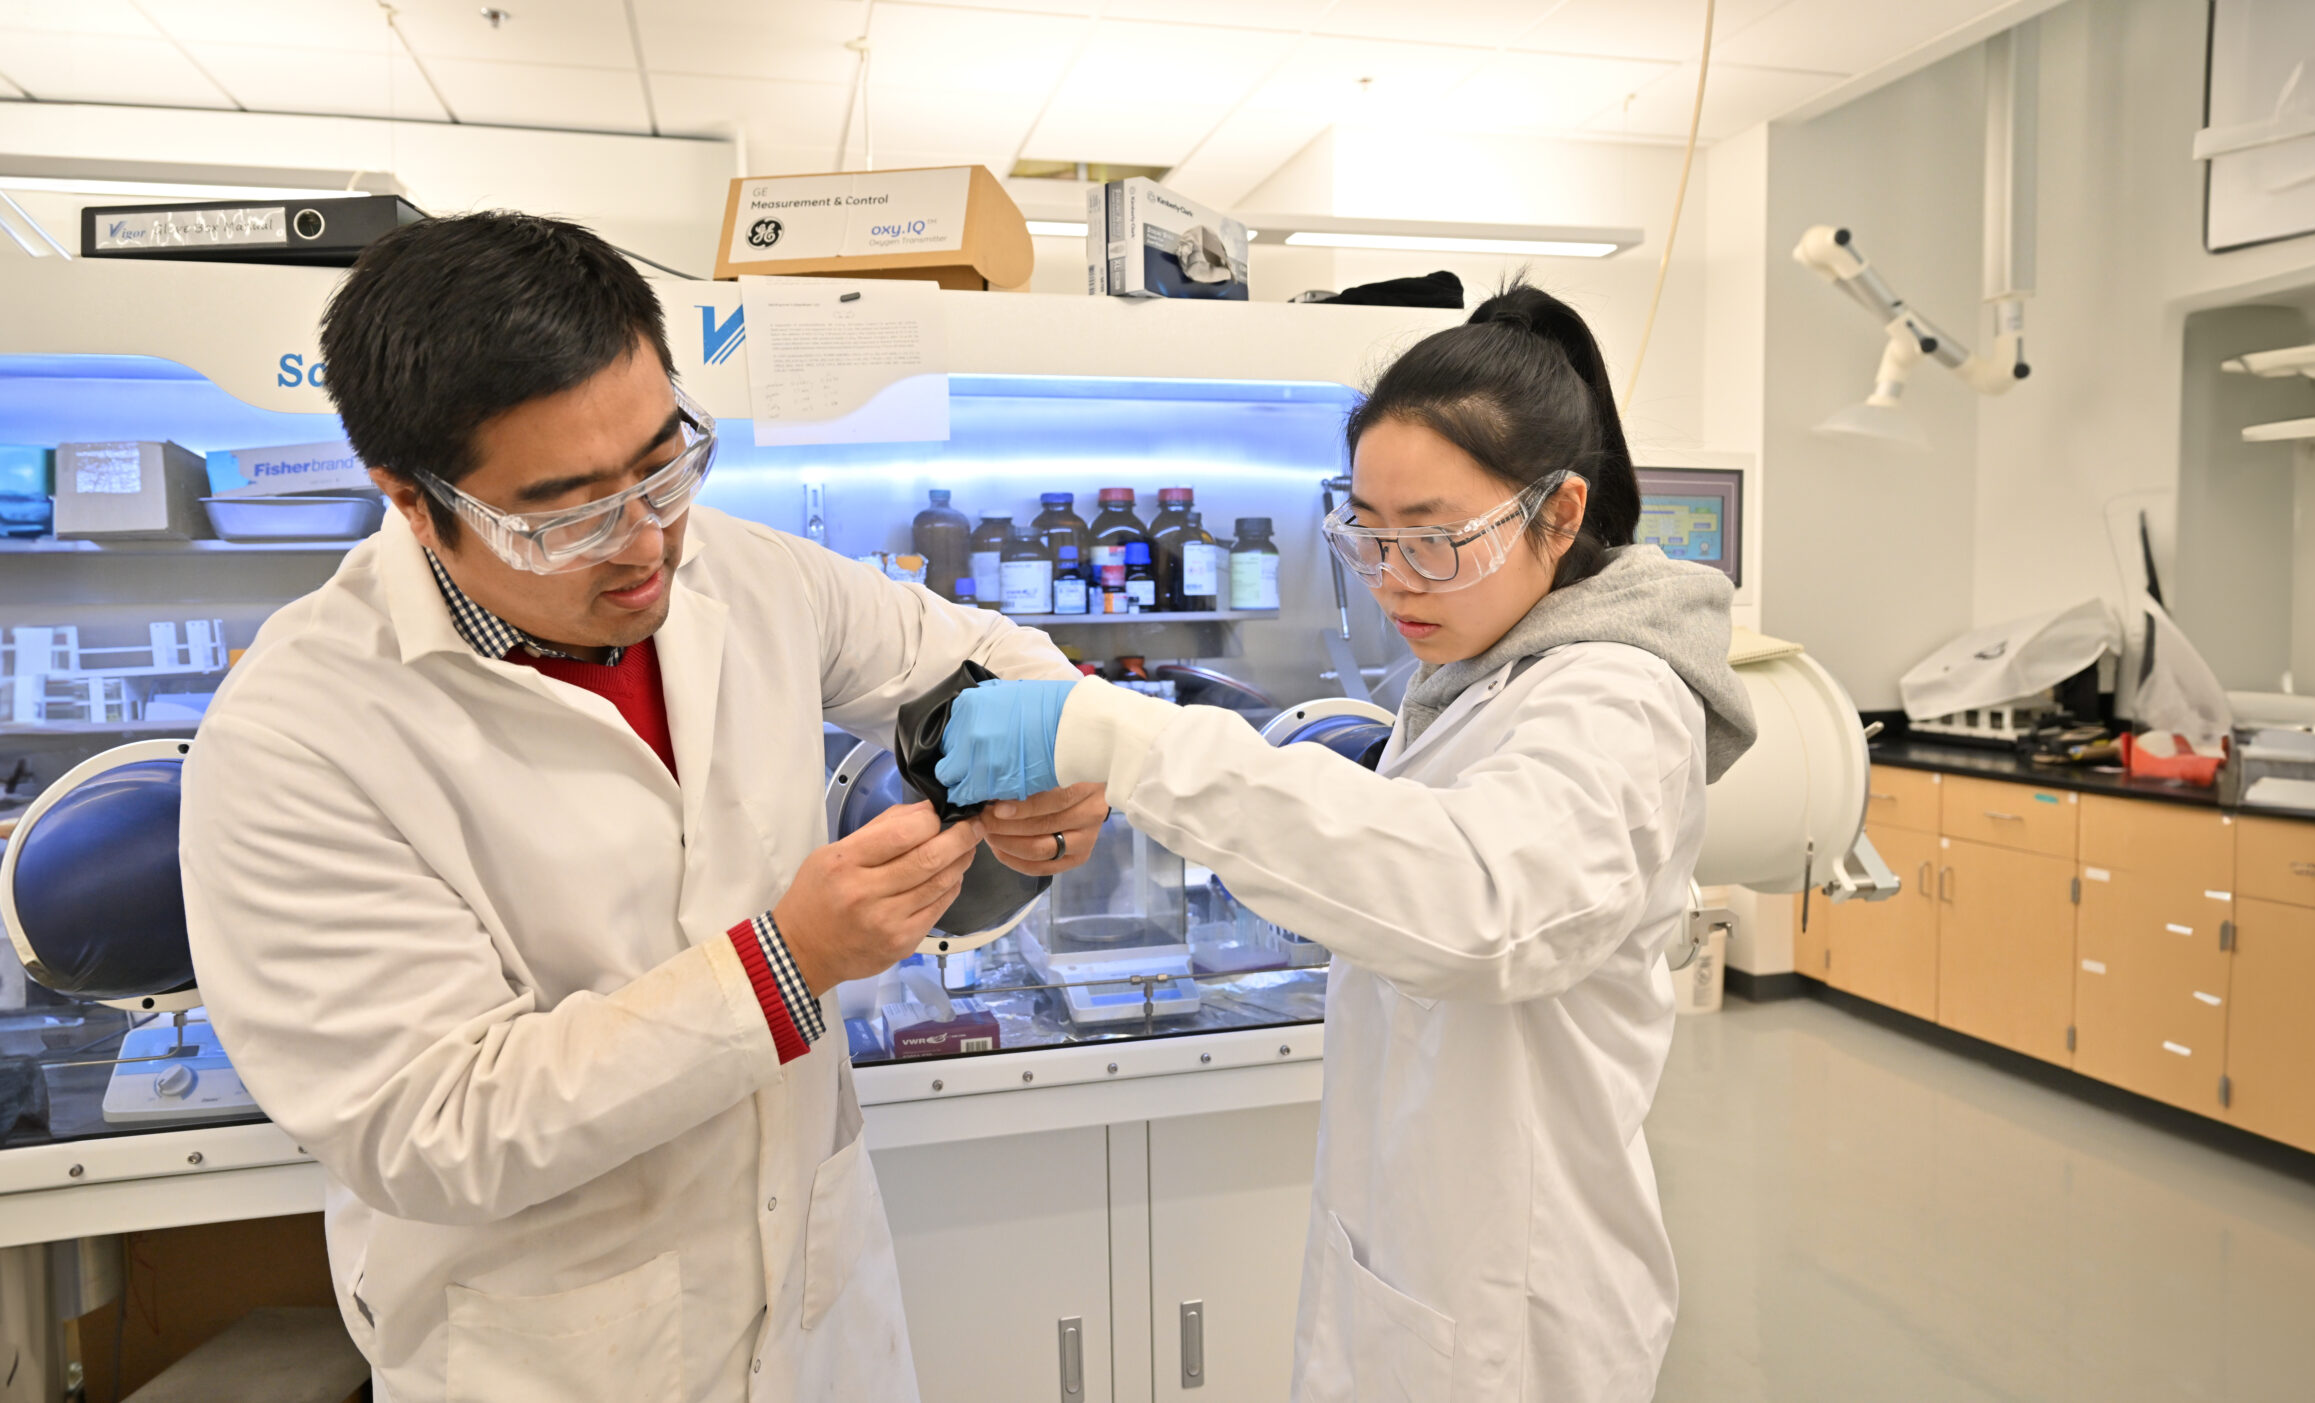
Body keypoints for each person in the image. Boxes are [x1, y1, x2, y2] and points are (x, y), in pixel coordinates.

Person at [177, 212, 1109, 1402]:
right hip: (557, 1349)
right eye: (565, 511)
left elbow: (982, 654)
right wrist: (784, 963)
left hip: (821, 1312)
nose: (646, 543)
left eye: (664, 465)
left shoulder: (745, 570)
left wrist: (1051, 758)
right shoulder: (297, 736)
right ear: (411, 500)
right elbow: (430, 1126)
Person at [934, 282, 1758, 1402]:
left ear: (1559, 515)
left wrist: (1114, 733)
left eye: (1436, 540)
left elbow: (1481, 901)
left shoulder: (1615, 698)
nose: (1393, 581)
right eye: (1367, 535)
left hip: (1512, 1310)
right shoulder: (1480, 667)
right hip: (1424, 1259)